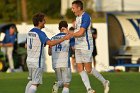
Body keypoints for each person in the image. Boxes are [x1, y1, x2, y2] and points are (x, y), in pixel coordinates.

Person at [67, 1, 110, 93]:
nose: (72, 10)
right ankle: (89, 89)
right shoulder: (77, 17)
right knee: (79, 68)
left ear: (79, 8)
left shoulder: (86, 17)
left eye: (73, 8)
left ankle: (105, 81)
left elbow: (80, 33)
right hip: (78, 46)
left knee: (89, 69)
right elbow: (77, 32)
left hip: (86, 46)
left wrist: (69, 33)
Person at [25, 13, 70, 93]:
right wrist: (64, 38)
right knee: (35, 83)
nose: (45, 22)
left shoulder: (30, 32)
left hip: (29, 60)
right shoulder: (40, 33)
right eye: (44, 20)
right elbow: (51, 43)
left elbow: (26, 45)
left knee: (33, 81)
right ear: (39, 22)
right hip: (36, 61)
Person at [48, 20, 75, 93]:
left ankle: (57, 84)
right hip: (65, 63)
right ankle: (57, 85)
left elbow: (49, 53)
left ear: (58, 28)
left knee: (61, 82)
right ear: (67, 27)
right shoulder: (68, 37)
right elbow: (73, 48)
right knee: (66, 84)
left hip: (56, 64)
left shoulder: (52, 38)